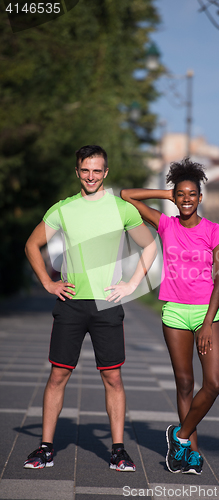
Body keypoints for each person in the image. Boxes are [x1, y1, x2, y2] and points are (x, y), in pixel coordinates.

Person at [24, 145, 156, 471]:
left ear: (105, 172)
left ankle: (118, 450)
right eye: (86, 170)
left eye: (97, 170)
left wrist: (131, 284)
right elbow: (31, 244)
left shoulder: (121, 209)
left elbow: (150, 245)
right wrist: (48, 283)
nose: (91, 176)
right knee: (58, 376)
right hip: (70, 303)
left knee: (113, 378)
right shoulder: (63, 210)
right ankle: (46, 447)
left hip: (107, 304)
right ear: (77, 171)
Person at [121, 158, 219, 475]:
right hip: (175, 313)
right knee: (184, 384)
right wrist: (165, 195)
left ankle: (179, 435)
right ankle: (189, 454)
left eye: (191, 194)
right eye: (180, 194)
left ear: (200, 197)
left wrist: (208, 323)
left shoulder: (214, 231)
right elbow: (127, 194)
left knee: (214, 383)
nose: (185, 199)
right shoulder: (166, 225)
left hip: (207, 313)